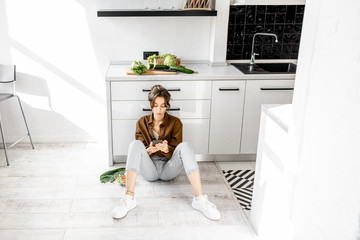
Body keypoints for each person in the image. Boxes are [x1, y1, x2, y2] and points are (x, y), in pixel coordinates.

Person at [112, 85, 221, 221]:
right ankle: (129, 197)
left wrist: (167, 149)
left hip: (168, 169)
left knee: (185, 146)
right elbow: (139, 152)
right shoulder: (141, 123)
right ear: (150, 104)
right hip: (149, 169)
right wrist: (148, 150)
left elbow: (177, 151)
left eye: (163, 106)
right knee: (135, 144)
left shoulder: (176, 123)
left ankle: (199, 199)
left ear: (167, 106)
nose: (159, 109)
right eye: (156, 105)